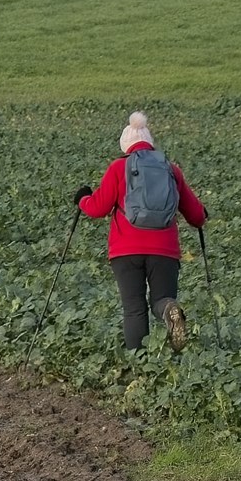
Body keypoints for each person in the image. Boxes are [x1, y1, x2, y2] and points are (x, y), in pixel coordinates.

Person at [75, 110, 208, 351]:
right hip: (164, 250)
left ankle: (138, 365)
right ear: (150, 142)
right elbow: (196, 215)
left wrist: (82, 199)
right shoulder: (170, 169)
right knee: (160, 299)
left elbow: (97, 208)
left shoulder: (118, 168)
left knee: (134, 308)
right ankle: (169, 309)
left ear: (125, 145)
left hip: (126, 250)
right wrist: (202, 215)